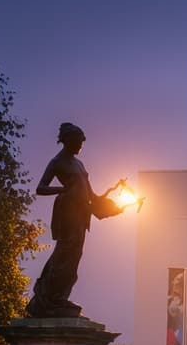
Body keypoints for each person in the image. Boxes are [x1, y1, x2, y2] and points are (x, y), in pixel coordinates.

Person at [26, 123, 122, 317]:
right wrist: (62, 190)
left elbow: (92, 195)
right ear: (68, 141)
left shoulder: (79, 163)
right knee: (65, 253)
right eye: (78, 142)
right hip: (67, 212)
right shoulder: (57, 162)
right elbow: (41, 188)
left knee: (74, 255)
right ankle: (49, 299)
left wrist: (113, 205)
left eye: (82, 143)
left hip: (81, 214)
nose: (81, 146)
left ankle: (60, 296)